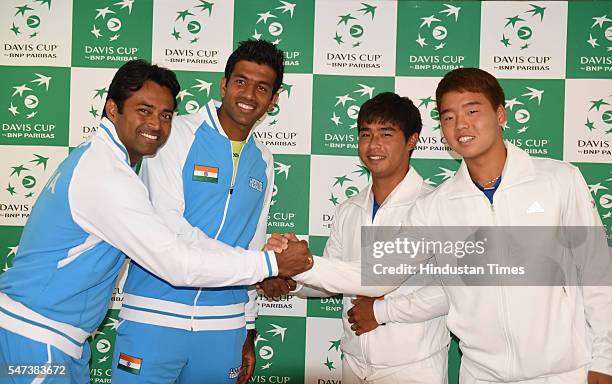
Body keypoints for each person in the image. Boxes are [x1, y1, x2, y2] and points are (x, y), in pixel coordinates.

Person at [0, 59, 312, 384]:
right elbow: (177, 262)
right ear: (112, 109)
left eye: (165, 115)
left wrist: (263, 266)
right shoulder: (106, 175)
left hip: (56, 337)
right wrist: (268, 263)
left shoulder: (103, 161)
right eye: (144, 110)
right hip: (37, 335)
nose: (157, 124)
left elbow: (183, 240)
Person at [340, 68, 612, 384]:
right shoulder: (437, 206)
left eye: (472, 110)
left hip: (564, 374)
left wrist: (605, 361)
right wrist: (302, 264)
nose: (461, 124)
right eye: (449, 117)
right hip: (480, 375)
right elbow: (380, 270)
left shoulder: (559, 181)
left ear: (500, 114)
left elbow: (597, 274)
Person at [112, 40, 292, 384]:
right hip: (155, 316)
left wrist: (248, 329)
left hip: (224, 326)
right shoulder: (174, 133)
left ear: (273, 99)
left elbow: (253, 242)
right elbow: (168, 226)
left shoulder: (264, 160)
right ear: (224, 84)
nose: (249, 94)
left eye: (262, 87)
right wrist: (262, 266)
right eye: (241, 81)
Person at [270, 92, 450, 383]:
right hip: (354, 362)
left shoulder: (434, 205)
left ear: (412, 140)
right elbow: (331, 280)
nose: (373, 144)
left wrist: (380, 312)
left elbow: (448, 293)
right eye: (365, 133)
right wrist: (291, 280)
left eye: (386, 133)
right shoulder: (348, 208)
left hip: (414, 366)